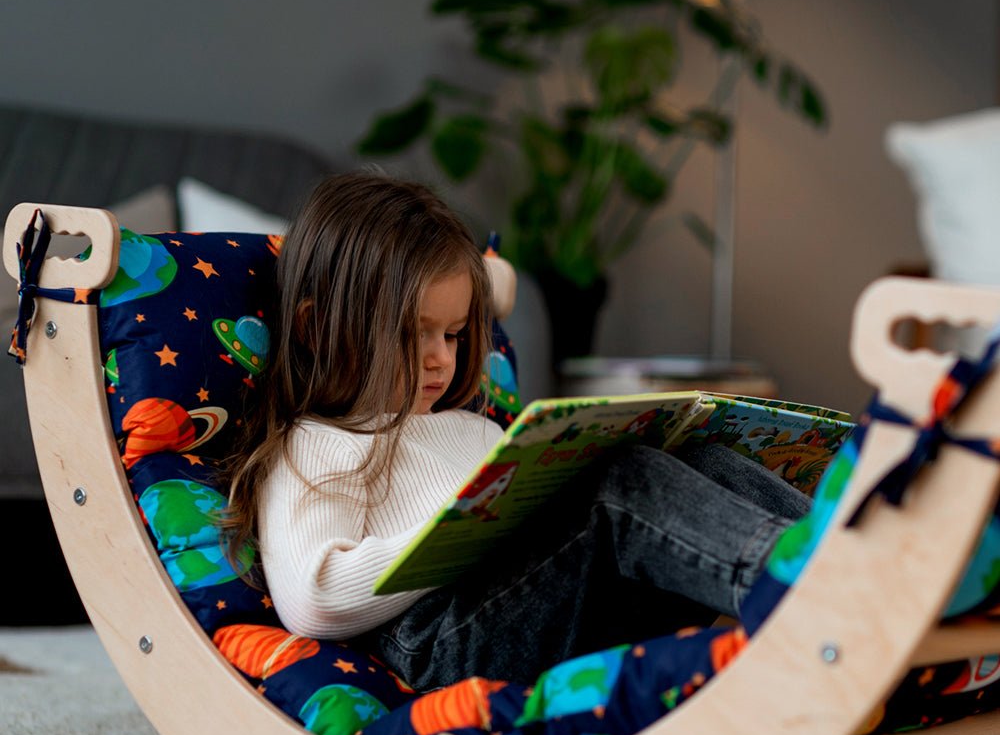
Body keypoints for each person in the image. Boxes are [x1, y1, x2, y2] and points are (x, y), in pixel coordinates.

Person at [222, 171, 811, 693]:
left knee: (698, 457)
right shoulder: (320, 442)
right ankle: (808, 590)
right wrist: (470, 529)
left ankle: (840, 548)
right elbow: (313, 597)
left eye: (452, 335)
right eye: (412, 334)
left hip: (551, 611)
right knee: (618, 482)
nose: (439, 360)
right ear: (317, 329)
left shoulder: (471, 428)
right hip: (440, 640)